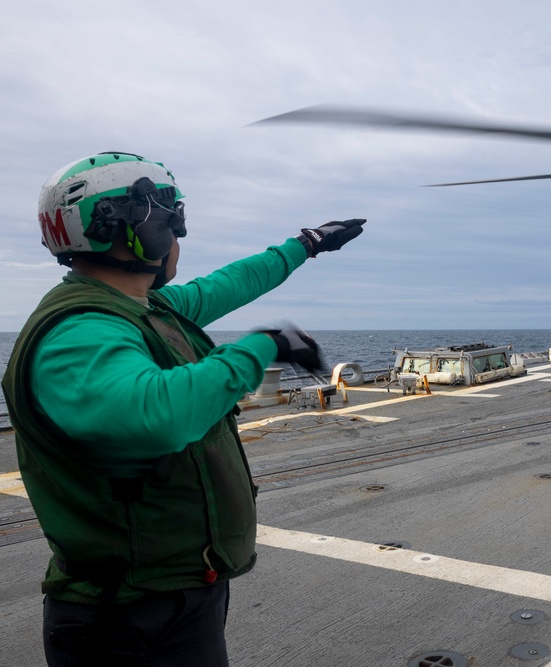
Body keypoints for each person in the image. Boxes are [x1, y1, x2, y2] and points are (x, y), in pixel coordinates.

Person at [1, 151, 366, 665]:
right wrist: (265, 345)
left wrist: (307, 244)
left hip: (168, 596)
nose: (178, 239)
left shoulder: (144, 308)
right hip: (129, 616)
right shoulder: (79, 332)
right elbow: (157, 417)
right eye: (170, 223)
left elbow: (229, 284)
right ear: (137, 229)